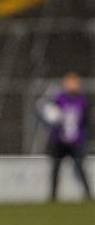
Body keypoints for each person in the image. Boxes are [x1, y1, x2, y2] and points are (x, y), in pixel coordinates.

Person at [42, 72, 92, 201]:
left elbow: (85, 122)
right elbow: (49, 114)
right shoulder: (59, 99)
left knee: (80, 167)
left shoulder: (82, 101)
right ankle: (53, 196)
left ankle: (88, 195)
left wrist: (83, 138)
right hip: (60, 141)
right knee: (56, 169)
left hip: (76, 141)